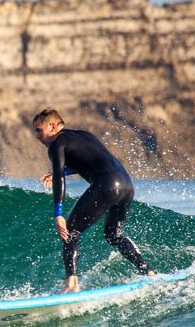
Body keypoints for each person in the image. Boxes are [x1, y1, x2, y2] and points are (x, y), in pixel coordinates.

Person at [32, 108, 155, 294]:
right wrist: (62, 172)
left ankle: (72, 285)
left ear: (53, 126)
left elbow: (59, 179)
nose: (37, 136)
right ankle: (148, 271)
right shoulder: (83, 135)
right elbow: (93, 161)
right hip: (126, 185)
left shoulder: (56, 144)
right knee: (114, 235)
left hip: (107, 185)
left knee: (70, 232)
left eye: (39, 130)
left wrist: (58, 214)